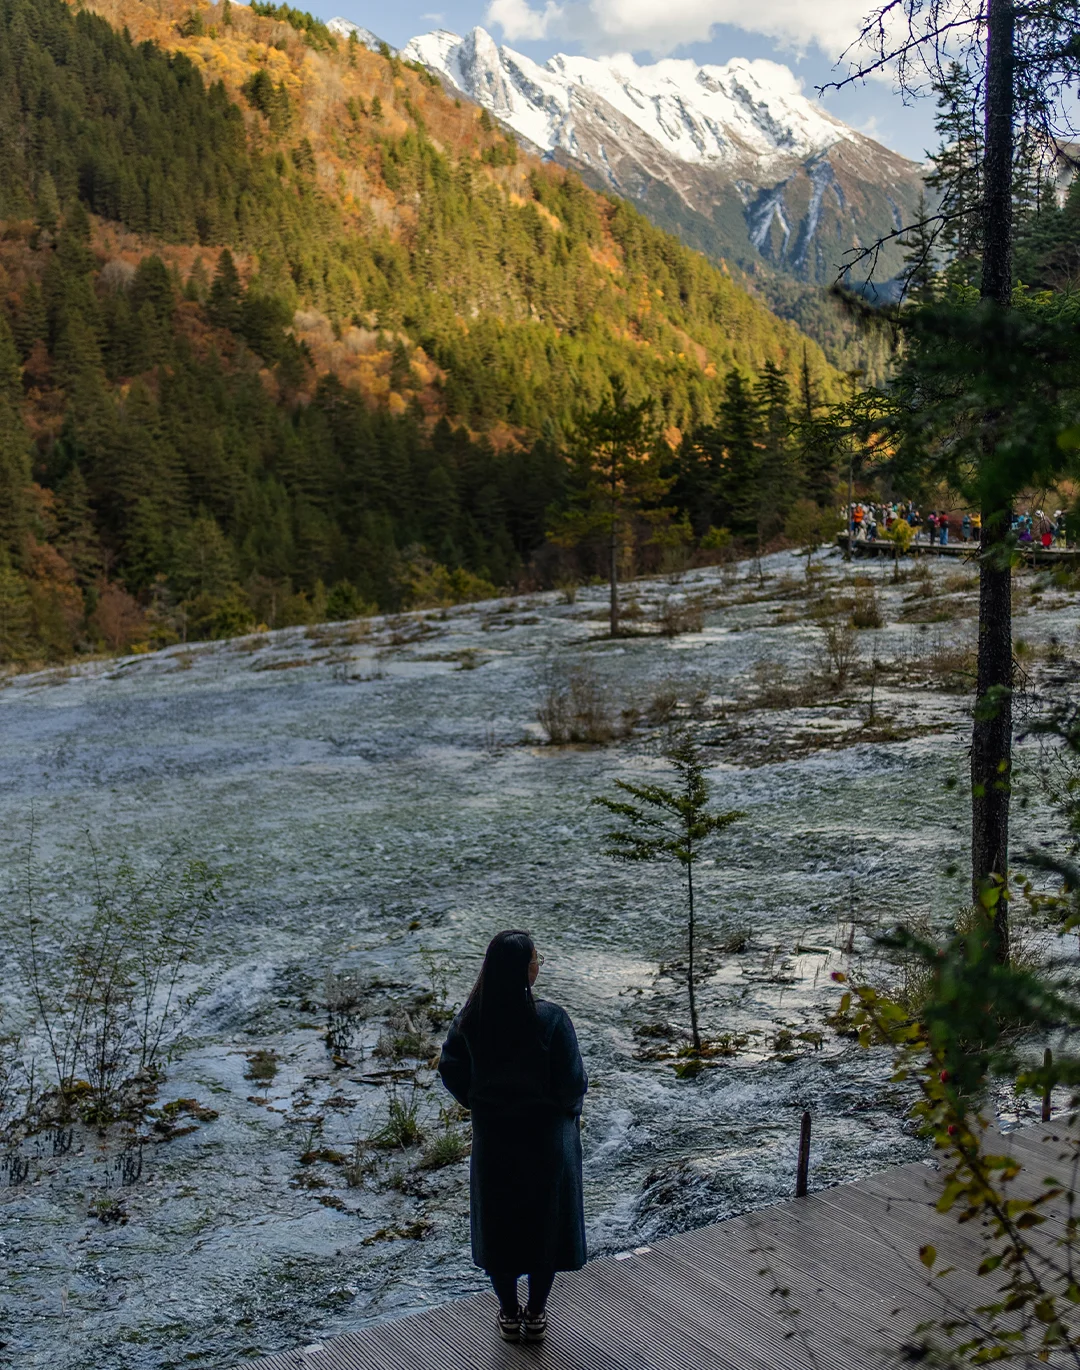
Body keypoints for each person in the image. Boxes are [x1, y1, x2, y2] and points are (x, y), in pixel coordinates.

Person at [438, 931, 588, 1345]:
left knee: (500, 1227)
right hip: (547, 1141)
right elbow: (573, 1083)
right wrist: (566, 1112)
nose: (540, 964)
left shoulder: (470, 1019)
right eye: (537, 958)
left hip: (496, 1142)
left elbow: (450, 1069)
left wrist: (478, 1102)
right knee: (547, 1227)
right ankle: (537, 1314)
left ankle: (507, 1312)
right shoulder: (551, 1019)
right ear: (525, 969)